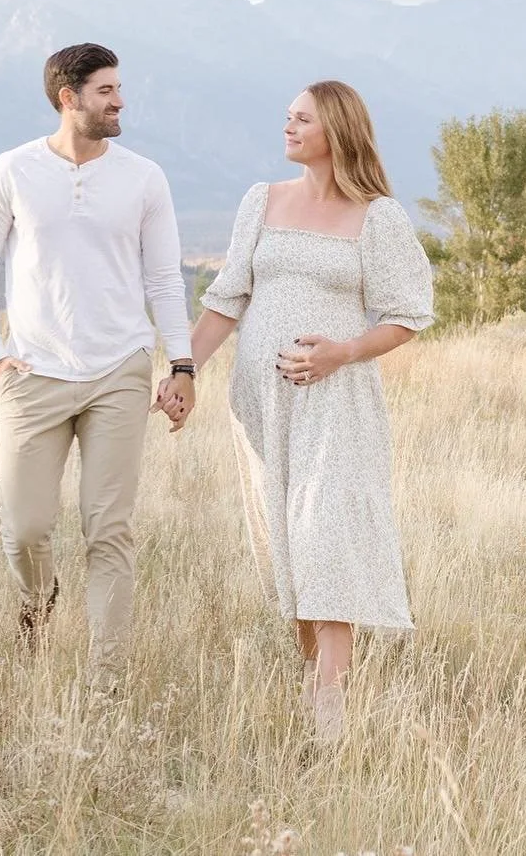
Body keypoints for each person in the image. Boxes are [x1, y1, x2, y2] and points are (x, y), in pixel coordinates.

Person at [153, 79, 433, 741]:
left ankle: (329, 714)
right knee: (288, 546)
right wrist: (183, 371)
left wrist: (343, 351)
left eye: (300, 119)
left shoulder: (378, 216)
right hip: (259, 409)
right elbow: (226, 300)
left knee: (327, 538)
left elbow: (407, 315)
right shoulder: (262, 201)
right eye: (286, 117)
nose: (286, 127)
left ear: (335, 129)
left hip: (334, 403)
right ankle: (318, 684)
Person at [0, 42, 195, 687]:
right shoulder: (12, 170)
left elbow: (164, 280)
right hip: (32, 374)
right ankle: (39, 601)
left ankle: (106, 679)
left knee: (108, 529)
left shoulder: (144, 177)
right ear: (69, 97)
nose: (120, 102)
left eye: (120, 89)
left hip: (119, 367)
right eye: (106, 91)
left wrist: (182, 365)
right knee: (25, 528)